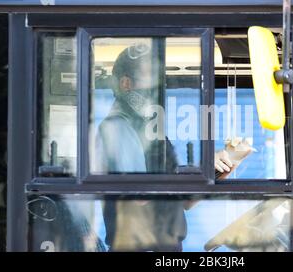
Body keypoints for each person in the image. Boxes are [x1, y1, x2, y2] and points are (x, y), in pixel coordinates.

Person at [94, 44, 235, 251]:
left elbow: (183, 202)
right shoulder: (118, 127)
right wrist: (200, 171)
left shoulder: (149, 129)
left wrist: (211, 175)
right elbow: (140, 197)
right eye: (149, 77)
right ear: (126, 83)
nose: (157, 86)